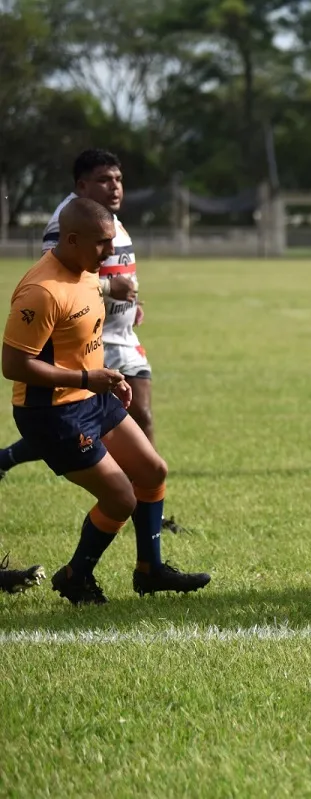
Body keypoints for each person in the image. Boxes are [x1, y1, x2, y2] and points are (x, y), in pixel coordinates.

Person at [2, 198, 210, 604]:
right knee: (120, 497)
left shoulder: (85, 272)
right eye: (101, 243)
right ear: (72, 239)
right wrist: (86, 377)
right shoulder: (41, 290)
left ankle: (150, 571)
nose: (110, 252)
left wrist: (106, 380)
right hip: (52, 413)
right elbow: (14, 364)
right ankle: (75, 576)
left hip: (92, 395)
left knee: (152, 471)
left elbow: (80, 342)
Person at [0, 150, 151, 484]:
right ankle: (136, 498)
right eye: (104, 179)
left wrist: (129, 304)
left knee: (138, 418)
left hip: (118, 332)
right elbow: (62, 278)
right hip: (87, 338)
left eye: (118, 179)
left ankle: (145, 499)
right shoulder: (68, 221)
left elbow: (108, 269)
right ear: (82, 185)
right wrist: (111, 288)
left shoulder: (108, 217)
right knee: (97, 422)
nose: (115, 187)